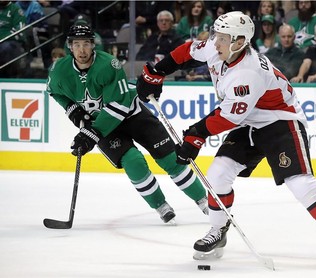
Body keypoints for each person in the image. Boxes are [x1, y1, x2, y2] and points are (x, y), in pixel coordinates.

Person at [136, 11, 316, 263]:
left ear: (240, 42)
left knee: (301, 183)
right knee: (218, 173)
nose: (215, 42)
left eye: (222, 38)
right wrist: (156, 71)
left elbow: (228, 117)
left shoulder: (247, 73)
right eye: (216, 36)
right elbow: (188, 51)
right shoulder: (220, 45)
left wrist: (195, 136)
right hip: (249, 120)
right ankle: (218, 230)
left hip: (280, 121)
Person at [46, 24, 208, 224]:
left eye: (86, 44)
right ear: (70, 47)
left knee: (170, 159)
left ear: (93, 45)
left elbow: (119, 104)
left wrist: (92, 133)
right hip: (104, 127)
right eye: (76, 45)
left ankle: (204, 200)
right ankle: (160, 205)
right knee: (134, 163)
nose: (82, 50)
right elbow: (55, 92)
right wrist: (75, 112)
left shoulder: (108, 65)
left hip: (132, 114)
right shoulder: (59, 71)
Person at [0, 0, 27, 78]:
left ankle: (7, 76)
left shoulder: (16, 10)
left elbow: (20, 30)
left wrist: (2, 38)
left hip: (11, 41)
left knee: (6, 47)